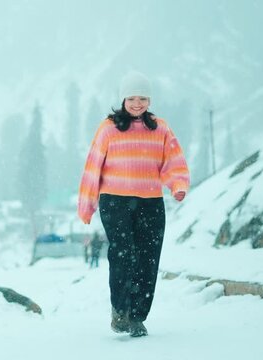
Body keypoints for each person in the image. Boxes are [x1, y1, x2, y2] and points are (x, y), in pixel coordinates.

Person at [77, 71, 189, 337]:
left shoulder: (160, 128)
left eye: (143, 98)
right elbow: (93, 167)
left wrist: (178, 185)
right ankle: (120, 311)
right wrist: (87, 204)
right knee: (123, 255)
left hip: (151, 202)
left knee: (148, 259)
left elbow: (173, 161)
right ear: (123, 99)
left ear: (149, 100)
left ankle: (138, 317)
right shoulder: (108, 128)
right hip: (115, 202)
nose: (137, 103)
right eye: (132, 98)